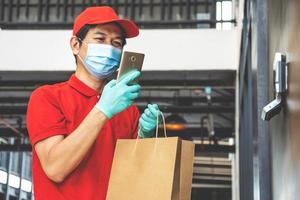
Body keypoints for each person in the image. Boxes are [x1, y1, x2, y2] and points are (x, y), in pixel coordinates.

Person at [26, 6, 161, 200]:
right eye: (100, 39)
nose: (109, 48)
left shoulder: (128, 110)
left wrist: (145, 136)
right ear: (75, 45)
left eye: (116, 43)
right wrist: (103, 110)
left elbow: (135, 173)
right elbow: (55, 168)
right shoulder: (47, 97)